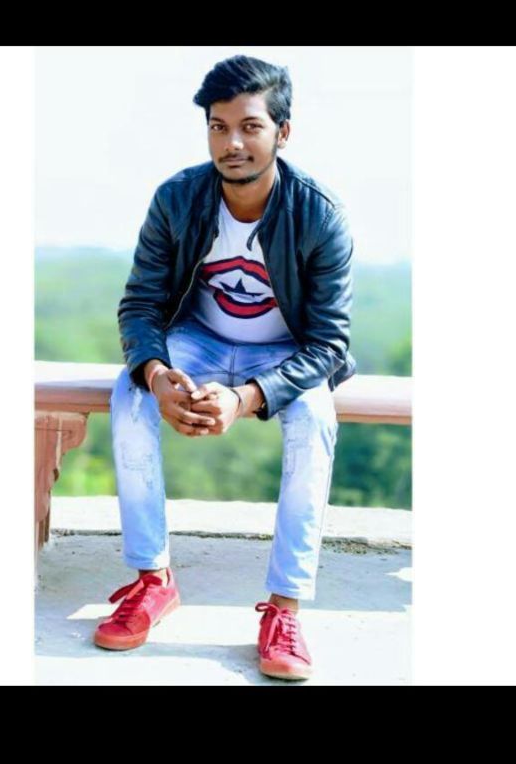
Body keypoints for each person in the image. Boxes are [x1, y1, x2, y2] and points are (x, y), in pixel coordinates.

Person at [93, 54, 356, 681]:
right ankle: (152, 580)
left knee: (315, 419)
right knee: (129, 394)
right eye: (218, 126)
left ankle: (285, 608)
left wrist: (248, 397)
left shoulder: (319, 214)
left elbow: (329, 345)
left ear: (282, 132)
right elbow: (141, 304)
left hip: (286, 352)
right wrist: (156, 374)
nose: (232, 143)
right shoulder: (178, 198)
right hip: (200, 339)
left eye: (250, 126)